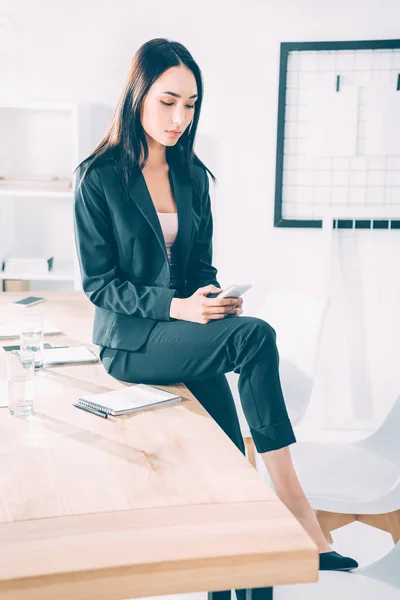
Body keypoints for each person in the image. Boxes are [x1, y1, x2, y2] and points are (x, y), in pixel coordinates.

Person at [73, 37, 357, 572]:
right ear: (138, 95)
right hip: (130, 343)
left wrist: (211, 300)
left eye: (191, 103)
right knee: (257, 338)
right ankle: (298, 508)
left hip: (179, 333)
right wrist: (179, 309)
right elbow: (98, 284)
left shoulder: (192, 176)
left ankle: (249, 565)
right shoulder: (99, 178)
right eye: (168, 100)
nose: (180, 116)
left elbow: (198, 268)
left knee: (232, 457)